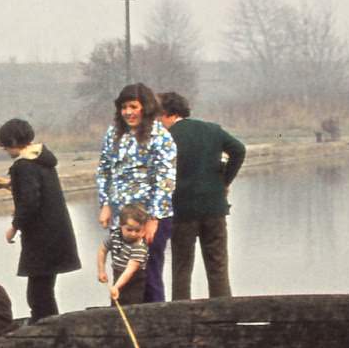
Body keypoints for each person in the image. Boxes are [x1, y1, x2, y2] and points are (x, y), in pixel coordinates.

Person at [0, 118, 81, 321]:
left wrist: (14, 226)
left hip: (42, 239)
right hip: (56, 234)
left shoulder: (24, 165)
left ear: (12, 141)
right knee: (45, 290)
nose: (6, 151)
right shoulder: (40, 158)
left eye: (6, 146)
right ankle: (52, 328)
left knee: (37, 295)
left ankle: (48, 331)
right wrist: (8, 184)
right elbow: (36, 187)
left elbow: (30, 202)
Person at [158, 91, 246, 300]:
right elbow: (239, 150)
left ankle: (181, 315)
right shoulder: (211, 130)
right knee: (218, 266)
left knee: (181, 268)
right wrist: (224, 181)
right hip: (214, 209)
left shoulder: (165, 138)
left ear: (166, 113)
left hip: (182, 212)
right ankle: (224, 315)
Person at [95, 83, 177, 302]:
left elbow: (165, 179)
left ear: (145, 107)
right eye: (124, 107)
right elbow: (104, 169)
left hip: (149, 217)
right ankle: (123, 325)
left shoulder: (160, 137)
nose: (128, 112)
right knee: (122, 274)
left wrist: (154, 219)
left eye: (133, 106)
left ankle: (156, 325)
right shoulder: (114, 133)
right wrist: (105, 204)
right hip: (121, 216)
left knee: (148, 273)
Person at [98, 203, 150, 305]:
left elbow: (129, 271)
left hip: (134, 281)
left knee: (132, 306)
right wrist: (101, 271)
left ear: (143, 229)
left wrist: (116, 287)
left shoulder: (139, 247)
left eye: (138, 230)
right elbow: (102, 250)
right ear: (121, 226)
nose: (133, 234)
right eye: (129, 229)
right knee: (116, 304)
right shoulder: (115, 236)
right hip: (117, 274)